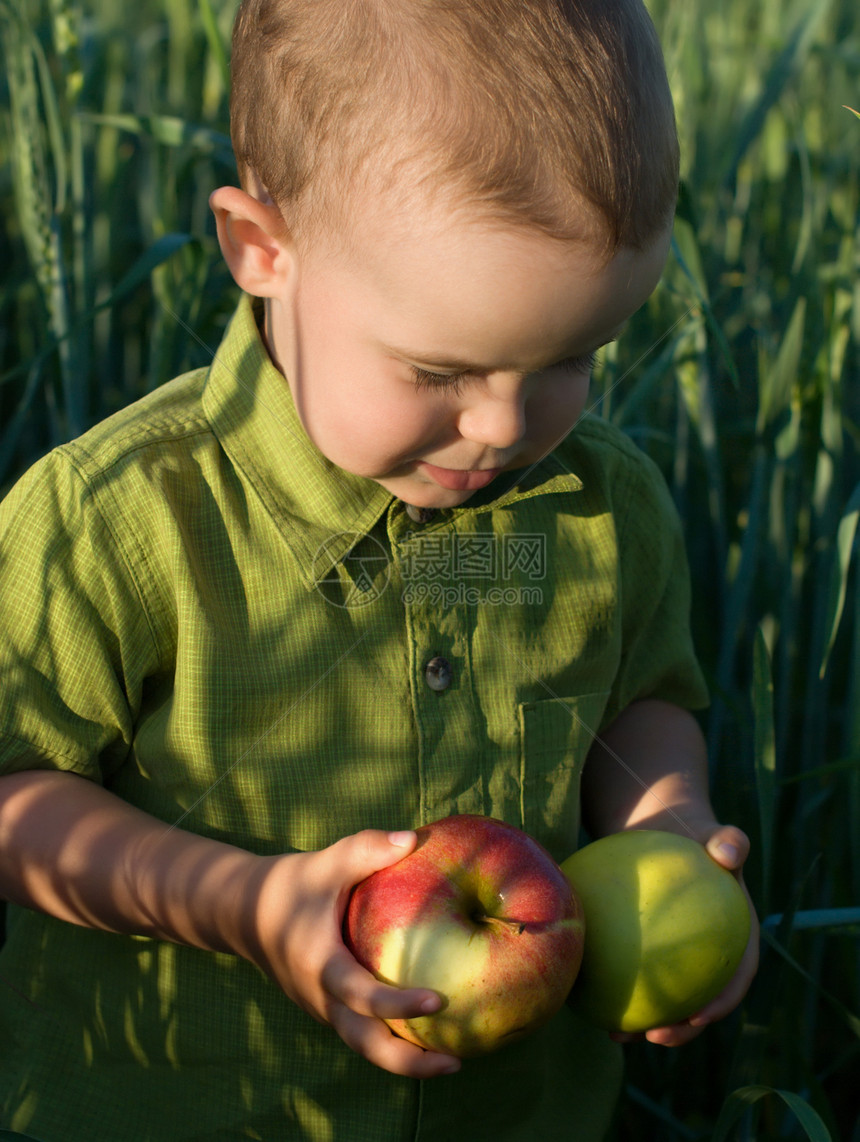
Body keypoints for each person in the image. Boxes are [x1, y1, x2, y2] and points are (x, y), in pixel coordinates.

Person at [0, 0, 759, 1138]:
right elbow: (15, 797)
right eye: (437, 368)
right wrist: (244, 904)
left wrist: (667, 828)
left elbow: (641, 697)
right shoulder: (114, 520)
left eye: (571, 357)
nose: (502, 425)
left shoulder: (600, 506)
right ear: (263, 250)